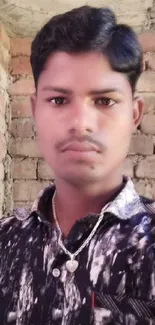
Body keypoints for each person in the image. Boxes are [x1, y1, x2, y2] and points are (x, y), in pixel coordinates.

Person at [0, 5, 155, 325]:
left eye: (104, 101)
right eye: (58, 100)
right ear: (35, 111)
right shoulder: (5, 242)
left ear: (135, 114)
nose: (81, 123)